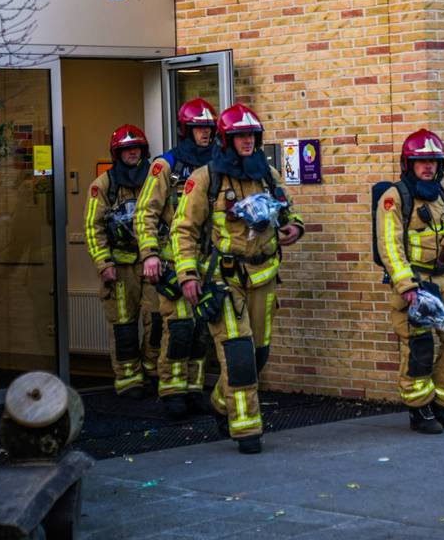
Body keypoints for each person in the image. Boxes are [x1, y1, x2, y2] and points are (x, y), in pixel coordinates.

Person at [171, 103, 304, 454]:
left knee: (258, 354)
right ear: (226, 140)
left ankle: (220, 402)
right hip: (223, 279)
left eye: (251, 135)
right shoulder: (205, 179)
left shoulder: (268, 175)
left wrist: (294, 227)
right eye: (240, 136)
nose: (247, 141)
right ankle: (247, 429)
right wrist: (187, 274)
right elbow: (183, 230)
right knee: (239, 353)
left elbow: (291, 211)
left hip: (264, 276)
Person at [374, 129, 444, 434]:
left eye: (433, 161)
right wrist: (407, 287)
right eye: (421, 161)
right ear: (409, 164)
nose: (428, 166)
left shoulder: (440, 195)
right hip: (415, 282)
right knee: (418, 348)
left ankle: (442, 402)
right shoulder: (395, 198)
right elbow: (389, 246)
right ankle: (419, 409)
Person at [136, 98, 218, 419]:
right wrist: (150, 255)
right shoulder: (166, 165)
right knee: (179, 327)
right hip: (173, 262)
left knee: (201, 329)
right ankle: (171, 389)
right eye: (199, 128)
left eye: (209, 128)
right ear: (187, 129)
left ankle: (194, 388)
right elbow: (145, 212)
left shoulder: (218, 164)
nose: (205, 134)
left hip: (207, 262)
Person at [85, 124, 160, 399]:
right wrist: (104, 264)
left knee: (158, 321)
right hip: (119, 269)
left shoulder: (156, 180)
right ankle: (129, 379)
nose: (132, 153)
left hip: (153, 264)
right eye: (126, 149)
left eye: (136, 148)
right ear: (117, 153)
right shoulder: (103, 186)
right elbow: (93, 228)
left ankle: (153, 371)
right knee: (124, 327)